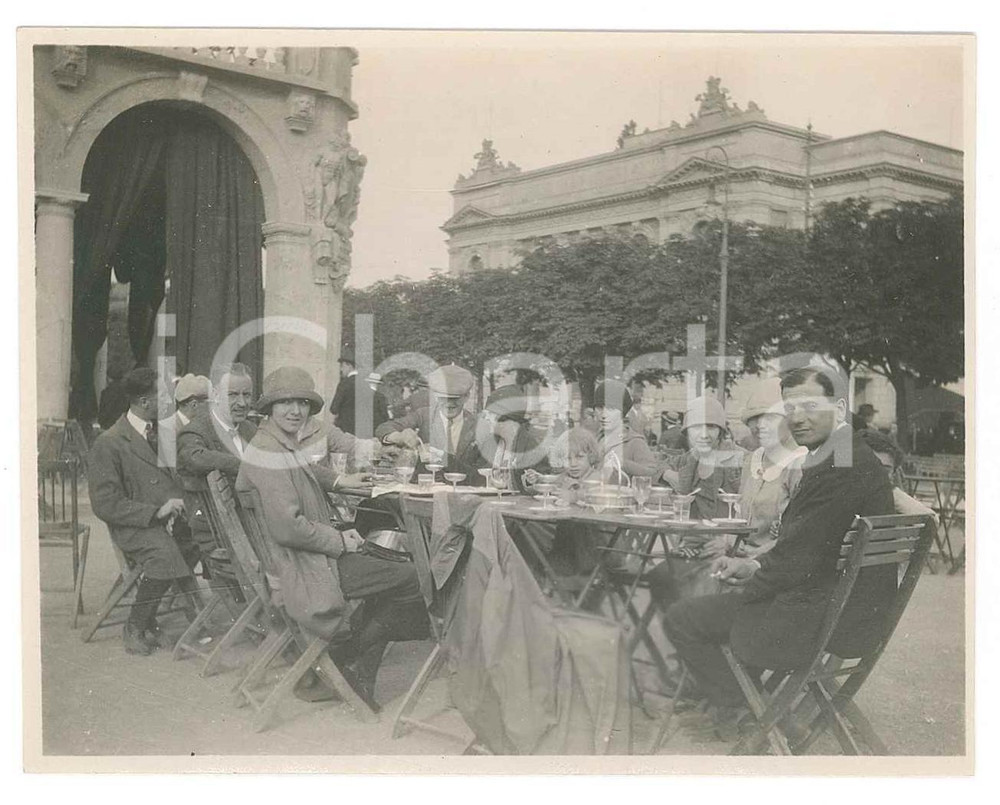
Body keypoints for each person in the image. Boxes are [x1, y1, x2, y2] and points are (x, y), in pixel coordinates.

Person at [662, 367, 895, 736]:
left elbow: (797, 560)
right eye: (790, 407)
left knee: (681, 618)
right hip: (848, 612)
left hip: (819, 621)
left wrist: (747, 589)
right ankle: (747, 708)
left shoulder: (837, 465)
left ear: (838, 407)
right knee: (724, 604)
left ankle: (745, 712)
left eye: (809, 405)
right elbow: (806, 547)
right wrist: (753, 564)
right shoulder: (850, 454)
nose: (797, 418)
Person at [236, 366, 429, 711]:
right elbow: (287, 528)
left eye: (302, 403)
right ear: (269, 408)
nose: (296, 410)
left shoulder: (275, 443)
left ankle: (351, 668)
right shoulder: (270, 452)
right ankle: (346, 662)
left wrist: (340, 485)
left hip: (302, 558)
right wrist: (340, 542)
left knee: (389, 562)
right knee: (409, 577)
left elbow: (307, 475)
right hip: (304, 567)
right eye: (285, 403)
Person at [87, 368, 203, 656]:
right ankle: (136, 625)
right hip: (134, 525)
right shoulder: (110, 442)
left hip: (166, 519)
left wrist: (180, 504)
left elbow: (170, 480)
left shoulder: (161, 434)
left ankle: (159, 620)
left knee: (200, 539)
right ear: (144, 401)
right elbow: (105, 503)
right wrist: (156, 512)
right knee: (164, 555)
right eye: (163, 395)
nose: (169, 401)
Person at [701, 379, 806, 560]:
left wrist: (754, 555)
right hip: (741, 556)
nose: (760, 426)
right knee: (672, 572)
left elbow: (803, 533)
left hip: (776, 563)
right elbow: (740, 516)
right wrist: (727, 541)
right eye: (753, 419)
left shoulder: (800, 463)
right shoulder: (753, 459)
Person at [176, 364, 258, 557]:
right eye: (233, 395)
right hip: (218, 533)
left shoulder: (250, 429)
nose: (242, 403)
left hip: (253, 524)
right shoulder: (196, 430)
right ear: (215, 394)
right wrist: (247, 465)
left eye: (247, 395)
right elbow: (194, 457)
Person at [375, 364, 486, 483]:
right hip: (422, 489)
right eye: (443, 398)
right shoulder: (423, 415)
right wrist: (399, 436)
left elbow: (481, 476)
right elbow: (384, 428)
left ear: (466, 397)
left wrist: (443, 457)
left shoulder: (479, 426)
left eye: (455, 398)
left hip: (460, 492)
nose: (449, 404)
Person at [673, 396, 743, 521]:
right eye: (696, 427)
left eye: (711, 427)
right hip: (692, 534)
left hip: (728, 535)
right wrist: (668, 475)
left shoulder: (740, 458)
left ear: (721, 431)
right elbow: (655, 467)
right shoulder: (689, 458)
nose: (704, 435)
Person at [479, 384, 548, 494]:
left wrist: (532, 481)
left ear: (505, 417)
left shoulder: (532, 447)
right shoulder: (489, 443)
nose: (486, 418)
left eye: (490, 414)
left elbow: (543, 486)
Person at [593, 379, 664, 481]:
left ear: (623, 411)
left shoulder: (635, 442)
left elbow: (654, 475)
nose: (604, 415)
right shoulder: (596, 439)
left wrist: (625, 464)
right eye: (599, 408)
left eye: (611, 409)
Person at [328, 347, 389, 436]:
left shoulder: (345, 383)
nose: (341, 370)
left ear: (348, 365)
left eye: (342, 366)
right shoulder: (366, 384)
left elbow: (333, 409)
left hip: (346, 431)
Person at [158, 374, 211, 468]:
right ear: (194, 405)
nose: (213, 409)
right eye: (210, 404)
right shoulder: (166, 429)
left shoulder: (206, 427)